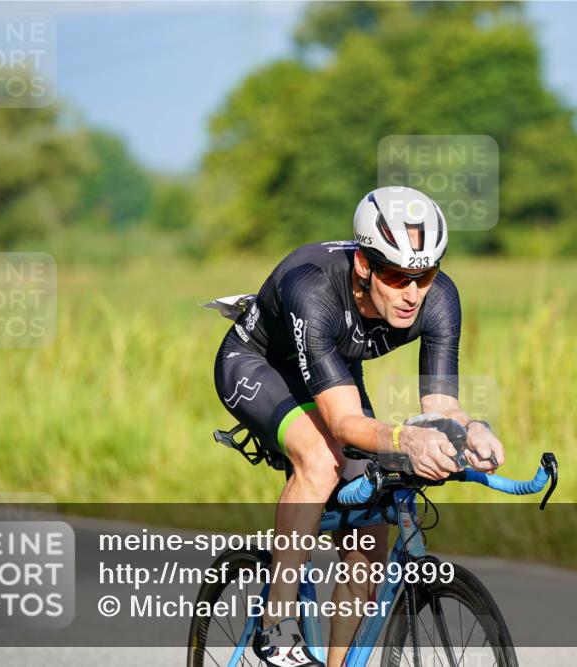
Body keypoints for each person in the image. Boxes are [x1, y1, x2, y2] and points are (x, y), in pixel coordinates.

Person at [213, 185, 506, 667]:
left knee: (371, 520)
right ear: (365, 266)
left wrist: (470, 429)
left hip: (334, 371)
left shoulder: (440, 299)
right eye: (396, 276)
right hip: (259, 365)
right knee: (323, 458)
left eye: (426, 274)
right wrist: (405, 437)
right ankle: (274, 625)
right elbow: (345, 423)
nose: (413, 293)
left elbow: (441, 405)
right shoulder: (314, 288)